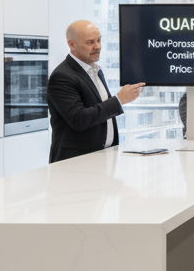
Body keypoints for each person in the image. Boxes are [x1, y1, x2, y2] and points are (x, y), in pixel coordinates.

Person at [46, 20, 145, 163]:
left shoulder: (95, 70)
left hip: (102, 157)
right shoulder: (62, 76)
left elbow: (101, 113)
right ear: (72, 44)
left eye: (99, 40)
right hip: (75, 163)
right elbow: (79, 119)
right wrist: (119, 100)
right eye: (90, 42)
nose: (97, 46)